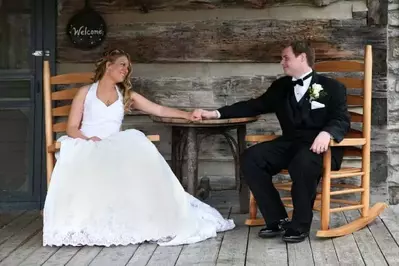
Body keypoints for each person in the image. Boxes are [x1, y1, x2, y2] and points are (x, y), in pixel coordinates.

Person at [42, 49, 235, 247]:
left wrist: (187, 115)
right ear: (109, 66)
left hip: (114, 143)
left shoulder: (126, 95)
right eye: (122, 64)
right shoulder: (85, 92)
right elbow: (72, 127)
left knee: (139, 145)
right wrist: (88, 139)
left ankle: (152, 215)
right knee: (93, 156)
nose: (126, 69)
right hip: (85, 141)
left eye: (128, 67)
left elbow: (158, 109)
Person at [192, 41, 350, 243]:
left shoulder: (332, 87)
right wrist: (215, 113)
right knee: (251, 158)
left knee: (302, 162)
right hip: (290, 143)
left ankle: (299, 226)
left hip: (319, 148)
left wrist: (327, 133)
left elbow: (341, 119)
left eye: (286, 57)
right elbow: (253, 106)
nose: (282, 62)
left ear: (302, 57)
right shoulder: (281, 86)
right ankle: (277, 219)